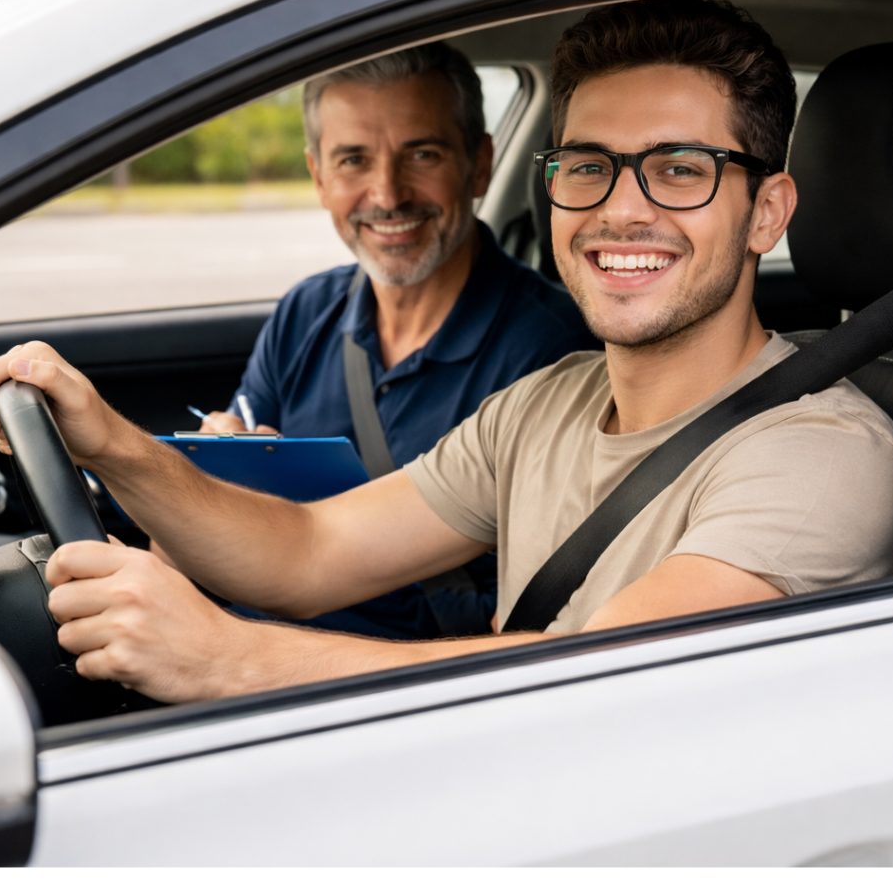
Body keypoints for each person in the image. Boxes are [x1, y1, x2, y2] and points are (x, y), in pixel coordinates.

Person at [0, 0, 893, 705]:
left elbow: (601, 680)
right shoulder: (546, 401)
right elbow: (310, 548)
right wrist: (111, 442)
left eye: (680, 168)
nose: (620, 208)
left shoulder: (825, 453)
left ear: (767, 212)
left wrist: (225, 658)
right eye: (588, 165)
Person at [178, 42, 598, 639]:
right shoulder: (305, 313)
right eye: (353, 160)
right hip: (247, 631)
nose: (387, 194)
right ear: (318, 177)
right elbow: (230, 481)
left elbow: (531, 612)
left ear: (479, 164)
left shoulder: (555, 351)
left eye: (421, 154)